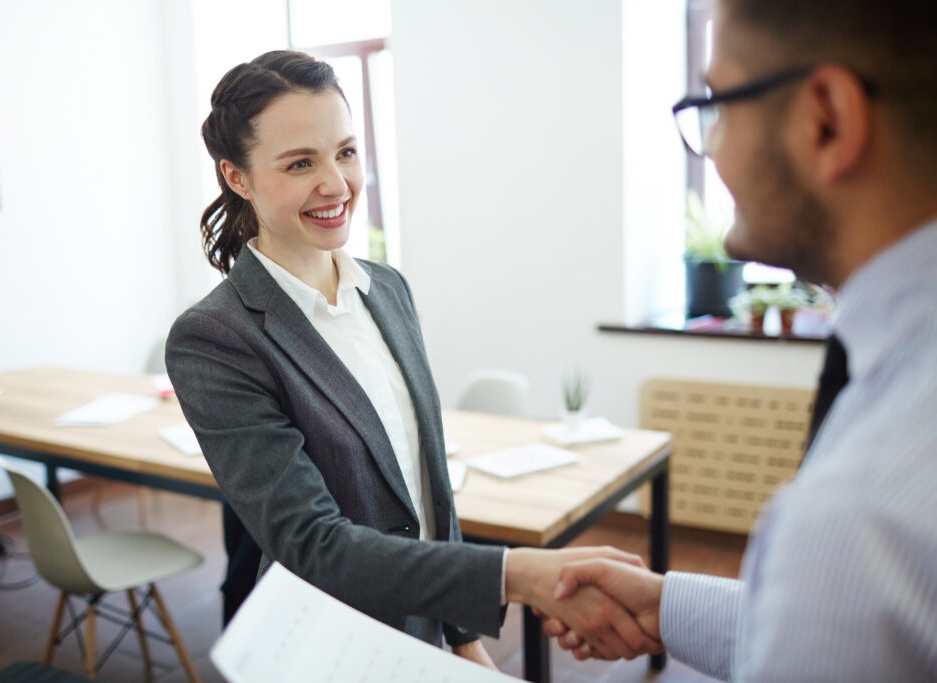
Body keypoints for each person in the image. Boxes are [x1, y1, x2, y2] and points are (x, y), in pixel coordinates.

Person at [165, 50, 650, 668]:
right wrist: (515, 574)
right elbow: (312, 544)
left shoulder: (386, 289)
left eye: (345, 152)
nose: (336, 185)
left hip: (421, 634)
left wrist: (461, 634)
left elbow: (427, 481)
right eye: (300, 164)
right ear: (237, 177)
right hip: (324, 648)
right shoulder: (216, 337)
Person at [542, 1, 937, 679]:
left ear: (827, 121)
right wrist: (667, 604)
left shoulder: (853, 518)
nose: (711, 147)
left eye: (718, 104)